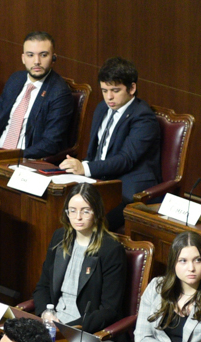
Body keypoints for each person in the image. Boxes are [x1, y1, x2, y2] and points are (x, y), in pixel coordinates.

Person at [61, 57, 159, 225]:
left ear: (132, 88)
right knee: (63, 207)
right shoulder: (102, 108)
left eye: (115, 90)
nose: (109, 97)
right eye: (104, 90)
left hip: (127, 190)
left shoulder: (143, 117)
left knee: (86, 219)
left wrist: (85, 168)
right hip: (99, 181)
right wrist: (80, 166)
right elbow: (94, 153)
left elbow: (125, 159)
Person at [32, 184, 131, 335]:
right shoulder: (59, 238)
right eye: (72, 211)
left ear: (97, 212)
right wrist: (46, 314)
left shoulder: (111, 250)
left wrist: (67, 329)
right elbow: (43, 286)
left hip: (84, 329)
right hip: (51, 322)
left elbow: (109, 309)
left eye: (85, 211)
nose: (78, 217)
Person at [0, 30, 78, 160]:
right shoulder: (15, 79)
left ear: (53, 58)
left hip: (25, 159)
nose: (37, 61)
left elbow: (50, 143)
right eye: (30, 55)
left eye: (43, 55)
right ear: (23, 58)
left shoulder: (59, 93)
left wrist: (10, 156)